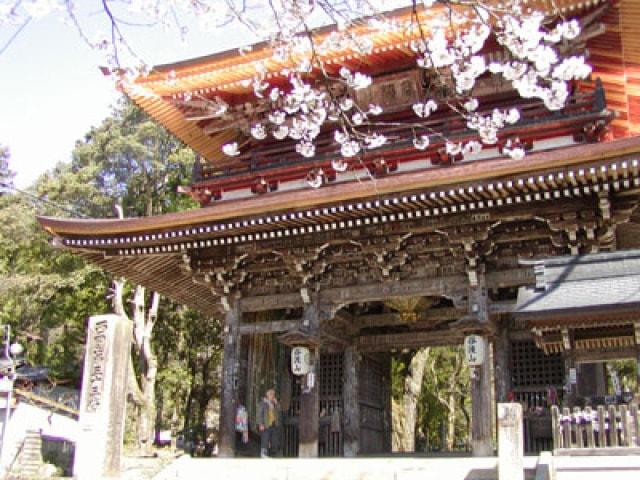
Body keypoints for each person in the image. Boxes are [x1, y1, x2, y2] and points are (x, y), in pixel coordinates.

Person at [257, 388, 280, 458]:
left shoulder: (274, 403)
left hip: (274, 424)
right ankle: (263, 454)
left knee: (274, 440)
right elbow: (259, 414)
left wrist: (277, 404)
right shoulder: (262, 403)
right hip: (266, 424)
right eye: (271, 394)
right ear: (267, 395)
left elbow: (279, 412)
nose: (272, 396)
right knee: (265, 439)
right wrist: (260, 424)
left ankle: (270, 453)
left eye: (273, 394)